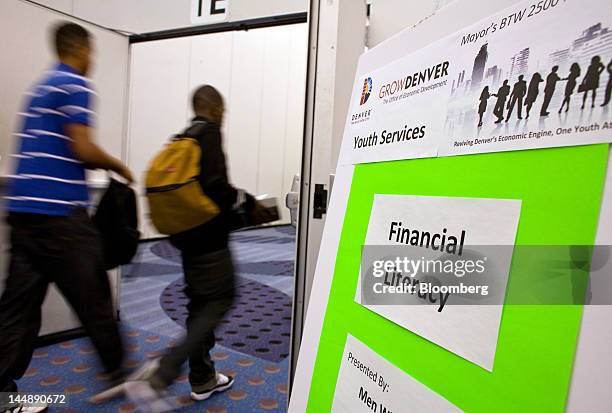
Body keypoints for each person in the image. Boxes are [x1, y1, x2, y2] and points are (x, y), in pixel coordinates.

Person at [0, 22, 133, 413]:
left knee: (17, 310)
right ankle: (118, 373)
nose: (93, 59)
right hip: (59, 215)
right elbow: (83, 148)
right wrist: (118, 166)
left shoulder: (38, 88)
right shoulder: (75, 84)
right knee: (93, 295)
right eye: (91, 51)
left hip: (22, 212)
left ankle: (2, 394)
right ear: (79, 49)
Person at [123, 85, 267, 412]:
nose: (223, 117)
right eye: (223, 111)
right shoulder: (210, 133)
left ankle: (203, 378)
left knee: (199, 304)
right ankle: (163, 372)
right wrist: (246, 201)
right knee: (220, 299)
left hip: (185, 238)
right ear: (215, 108)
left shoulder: (182, 137)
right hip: (209, 239)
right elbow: (216, 186)